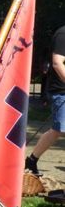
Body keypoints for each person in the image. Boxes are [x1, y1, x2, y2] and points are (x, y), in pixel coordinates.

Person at [25, 25, 65, 175]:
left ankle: (32, 160)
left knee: (58, 130)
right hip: (62, 91)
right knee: (58, 129)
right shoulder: (63, 34)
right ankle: (32, 160)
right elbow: (57, 63)